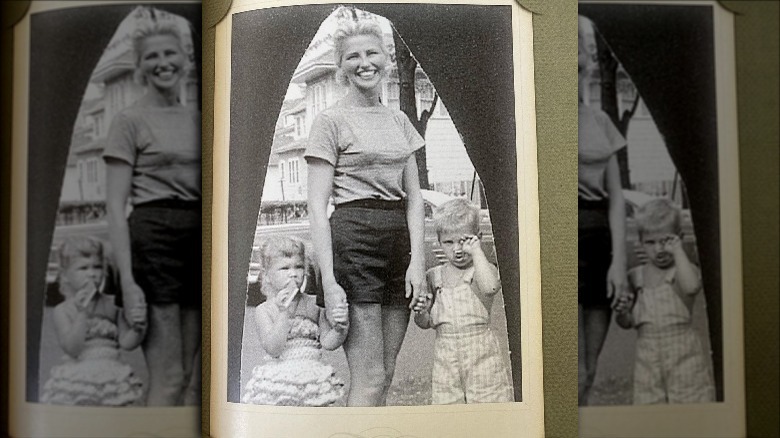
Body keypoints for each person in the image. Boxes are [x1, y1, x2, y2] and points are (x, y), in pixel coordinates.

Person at [305, 18, 427, 406]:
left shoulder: (399, 120)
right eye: (352, 56)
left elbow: (415, 197)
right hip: (354, 242)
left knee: (386, 374)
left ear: (387, 60)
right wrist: (329, 279)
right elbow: (317, 206)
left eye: (372, 53)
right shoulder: (330, 121)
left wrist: (418, 263)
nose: (364, 62)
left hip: (399, 245)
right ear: (340, 66)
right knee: (370, 375)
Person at [103, 21, 201, 406]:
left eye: (169, 53)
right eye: (152, 56)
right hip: (153, 240)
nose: (163, 62)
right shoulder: (128, 120)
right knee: (170, 378)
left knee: (191, 375)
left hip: (196, 242)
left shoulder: (197, 118)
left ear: (184, 60)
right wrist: (127, 283)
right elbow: (115, 206)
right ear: (140, 68)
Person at [613, 199, 715, 404]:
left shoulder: (683, 271)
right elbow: (628, 323)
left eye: (666, 241)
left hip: (683, 351)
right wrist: (622, 312)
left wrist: (678, 252)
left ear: (679, 238)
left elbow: (691, 287)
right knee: (649, 408)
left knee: (690, 402)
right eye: (650, 242)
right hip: (647, 354)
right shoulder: (636, 276)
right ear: (640, 243)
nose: (659, 249)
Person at [412, 199, 513, 404]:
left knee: (488, 405)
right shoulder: (434, 276)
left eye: (464, 241)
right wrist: (421, 311)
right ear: (439, 242)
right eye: (448, 242)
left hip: (481, 353)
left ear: (478, 238)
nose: (457, 249)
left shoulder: (482, 270)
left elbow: (490, 287)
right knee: (448, 410)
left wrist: (476, 252)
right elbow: (425, 323)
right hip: (445, 355)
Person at [577, 15, 628, 405]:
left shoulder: (601, 120)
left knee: (587, 369)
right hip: (561, 243)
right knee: (564, 365)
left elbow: (616, 199)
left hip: (600, 246)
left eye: (582, 54)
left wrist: (619, 265)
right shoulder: (535, 115)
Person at [242, 236, 347, 406]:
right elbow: (273, 349)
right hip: (280, 380)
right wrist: (284, 314)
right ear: (267, 275)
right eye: (284, 268)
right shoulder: (265, 310)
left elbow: (328, 342)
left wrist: (340, 327)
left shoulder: (313, 304)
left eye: (298, 267)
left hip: (312, 378)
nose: (293, 273)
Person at [41, 237, 145, 406]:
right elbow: (72, 348)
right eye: (83, 268)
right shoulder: (63, 310)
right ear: (66, 275)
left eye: (97, 267)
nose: (92, 273)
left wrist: (138, 327)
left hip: (112, 375)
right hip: (79, 377)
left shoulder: (112, 303)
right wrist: (82, 313)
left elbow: (126, 343)